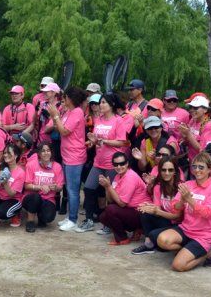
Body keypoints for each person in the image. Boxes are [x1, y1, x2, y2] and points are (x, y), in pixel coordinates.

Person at [149, 152, 211, 271]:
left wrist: (190, 200)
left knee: (178, 266)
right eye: (194, 167)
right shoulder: (188, 184)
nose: (197, 170)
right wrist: (182, 200)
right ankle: (186, 251)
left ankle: (208, 254)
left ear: (209, 169)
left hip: (204, 235)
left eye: (201, 167)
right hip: (186, 229)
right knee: (161, 240)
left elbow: (208, 213)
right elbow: (175, 208)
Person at [80, 93, 129, 233]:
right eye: (100, 103)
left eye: (103, 103)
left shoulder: (118, 121)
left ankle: (109, 224)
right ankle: (89, 220)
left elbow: (121, 142)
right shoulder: (99, 120)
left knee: (110, 194)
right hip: (98, 162)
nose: (100, 105)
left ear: (112, 105)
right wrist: (92, 141)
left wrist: (104, 141)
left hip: (113, 164)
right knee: (89, 188)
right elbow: (98, 140)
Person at [49, 87, 87, 231]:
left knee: (72, 189)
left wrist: (56, 116)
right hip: (67, 155)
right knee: (68, 187)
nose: (63, 100)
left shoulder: (77, 112)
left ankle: (73, 219)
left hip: (75, 156)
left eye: (65, 97)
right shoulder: (68, 111)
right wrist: (56, 116)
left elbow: (65, 131)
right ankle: (70, 217)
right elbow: (58, 127)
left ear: (71, 99)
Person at [98, 151, 150, 245]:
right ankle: (136, 229)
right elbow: (110, 200)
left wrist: (109, 187)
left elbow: (122, 203)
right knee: (103, 216)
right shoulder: (118, 176)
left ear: (127, 163)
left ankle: (123, 238)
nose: (119, 167)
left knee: (111, 209)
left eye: (122, 164)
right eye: (116, 164)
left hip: (142, 213)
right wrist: (107, 187)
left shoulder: (130, 176)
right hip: (132, 209)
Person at [132, 156, 182, 254]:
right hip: (166, 220)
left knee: (155, 238)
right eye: (164, 170)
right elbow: (158, 209)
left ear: (175, 171)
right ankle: (148, 244)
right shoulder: (158, 187)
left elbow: (177, 216)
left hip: (178, 224)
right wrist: (151, 208)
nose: (167, 173)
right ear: (159, 171)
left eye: (170, 170)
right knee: (144, 211)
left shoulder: (180, 187)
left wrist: (156, 211)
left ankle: (181, 247)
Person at [22, 143, 63, 232]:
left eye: (48, 150)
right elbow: (26, 185)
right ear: (39, 154)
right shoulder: (31, 164)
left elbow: (60, 187)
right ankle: (30, 221)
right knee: (35, 197)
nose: (46, 153)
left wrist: (55, 187)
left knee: (48, 217)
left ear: (51, 152)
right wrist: (40, 187)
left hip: (48, 199)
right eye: (43, 151)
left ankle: (41, 218)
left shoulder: (57, 166)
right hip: (31, 197)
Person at [177, 95, 211, 171]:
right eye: (191, 107)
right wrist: (184, 136)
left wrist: (188, 134)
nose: (192, 110)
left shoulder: (209, 125)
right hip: (192, 163)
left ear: (205, 110)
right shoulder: (193, 121)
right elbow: (189, 141)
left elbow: (202, 149)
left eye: (196, 108)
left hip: (202, 167)